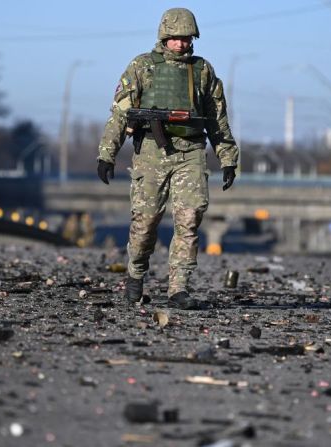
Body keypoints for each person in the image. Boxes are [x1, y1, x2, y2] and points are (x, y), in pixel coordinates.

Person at [96, 8, 240, 309]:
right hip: (151, 152)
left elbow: (217, 120)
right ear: (164, 37)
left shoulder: (202, 71)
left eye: (186, 38)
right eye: (175, 38)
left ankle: (179, 288)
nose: (181, 44)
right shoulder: (142, 67)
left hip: (190, 152)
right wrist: (107, 153)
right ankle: (135, 272)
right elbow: (120, 114)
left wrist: (227, 158)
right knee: (145, 222)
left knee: (189, 219)